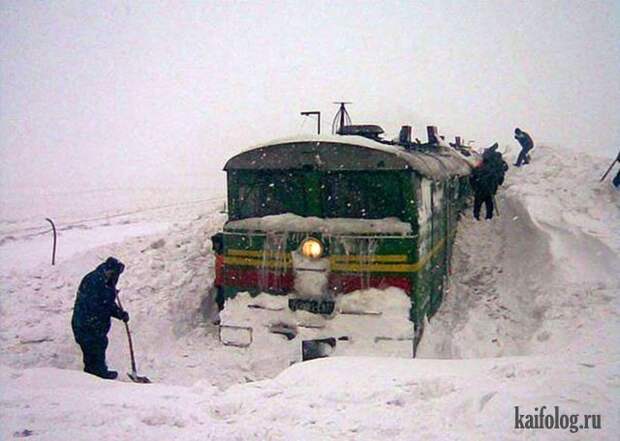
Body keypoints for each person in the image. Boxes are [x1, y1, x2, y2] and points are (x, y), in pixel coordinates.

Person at [71, 257, 129, 379]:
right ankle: (97, 377)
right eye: (116, 275)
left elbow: (107, 304)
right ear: (110, 271)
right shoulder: (94, 281)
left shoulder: (105, 281)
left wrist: (120, 314)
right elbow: (99, 304)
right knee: (94, 347)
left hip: (93, 325)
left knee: (98, 346)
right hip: (86, 325)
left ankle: (97, 374)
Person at [470, 143, 508, 220]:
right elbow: (500, 175)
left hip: (480, 186)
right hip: (489, 187)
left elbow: (473, 176)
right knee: (489, 201)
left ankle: (476, 216)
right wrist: (496, 186)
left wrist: (474, 186)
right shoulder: (496, 166)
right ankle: (489, 216)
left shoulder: (482, 165)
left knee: (478, 202)